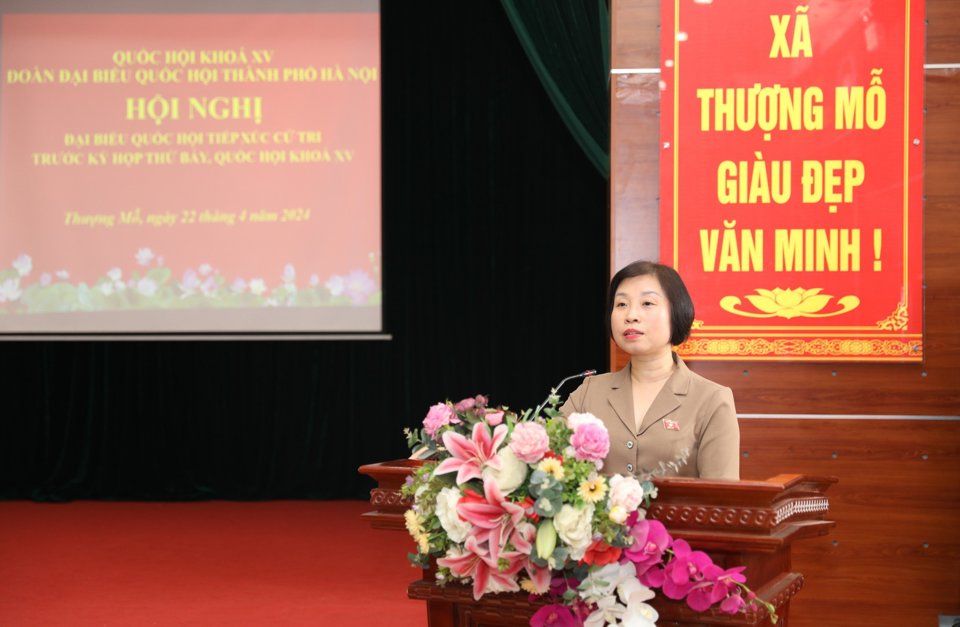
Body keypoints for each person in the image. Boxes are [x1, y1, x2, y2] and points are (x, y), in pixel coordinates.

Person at [560, 260, 740, 480]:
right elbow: (551, 466)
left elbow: (722, 502)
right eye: (621, 304)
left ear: (676, 313)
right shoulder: (588, 392)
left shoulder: (711, 400)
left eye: (647, 303)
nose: (631, 315)